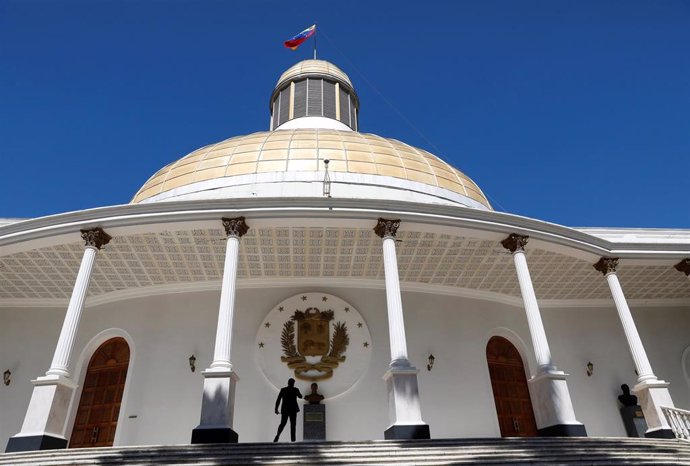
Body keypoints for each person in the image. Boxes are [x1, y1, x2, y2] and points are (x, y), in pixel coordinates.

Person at [274, 378, 303, 442]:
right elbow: (300, 396)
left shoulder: (286, 390)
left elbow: (278, 400)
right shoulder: (291, 389)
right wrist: (276, 408)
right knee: (289, 424)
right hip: (290, 410)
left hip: (287, 409)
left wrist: (276, 408)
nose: (292, 384)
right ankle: (290, 439)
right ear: (291, 383)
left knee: (286, 424)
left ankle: (279, 436)